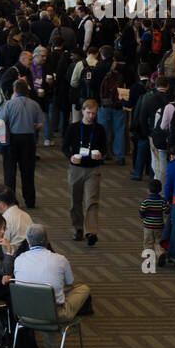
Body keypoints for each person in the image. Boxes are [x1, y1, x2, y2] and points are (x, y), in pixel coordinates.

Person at [12, 224, 91, 348]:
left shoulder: (19, 260)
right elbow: (70, 282)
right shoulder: (60, 259)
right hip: (52, 316)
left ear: (28, 242)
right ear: (48, 241)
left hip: (25, 314)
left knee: (43, 297)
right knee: (82, 289)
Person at [0, 79, 45, 209]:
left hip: (12, 140)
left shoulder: (9, 104)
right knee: (27, 172)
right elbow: (40, 123)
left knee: (10, 172)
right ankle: (30, 200)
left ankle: (10, 201)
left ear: (15, 90)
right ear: (27, 91)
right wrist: (31, 126)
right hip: (28, 140)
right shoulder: (34, 104)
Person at [63, 100, 106, 246]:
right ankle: (78, 228)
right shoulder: (73, 128)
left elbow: (105, 148)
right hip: (76, 169)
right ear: (82, 111)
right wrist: (71, 156)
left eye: (94, 113)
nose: (91, 116)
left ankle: (91, 232)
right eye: (88, 113)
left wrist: (101, 154)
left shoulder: (99, 129)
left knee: (92, 201)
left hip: (93, 169)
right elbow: (64, 147)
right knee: (75, 201)